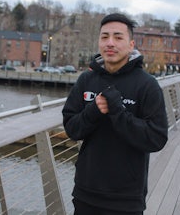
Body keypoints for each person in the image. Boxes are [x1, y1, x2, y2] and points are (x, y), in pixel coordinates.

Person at [62, 13, 168, 215]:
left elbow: (157, 138)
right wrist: (93, 111)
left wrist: (118, 112)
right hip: (85, 193)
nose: (110, 43)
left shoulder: (147, 86)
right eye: (104, 37)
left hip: (126, 199)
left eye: (118, 37)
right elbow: (71, 129)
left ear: (131, 44)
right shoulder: (86, 80)